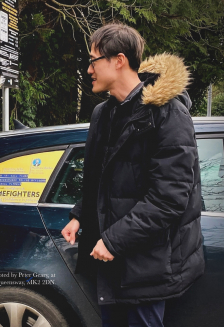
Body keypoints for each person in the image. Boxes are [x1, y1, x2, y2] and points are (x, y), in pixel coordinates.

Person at [61, 23, 204, 327]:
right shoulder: (103, 113)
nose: (89, 70)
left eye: (93, 60)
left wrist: (112, 241)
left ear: (119, 60)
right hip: (111, 261)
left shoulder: (168, 113)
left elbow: (169, 198)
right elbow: (97, 178)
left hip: (149, 265)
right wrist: (80, 215)